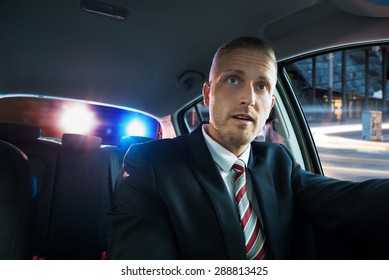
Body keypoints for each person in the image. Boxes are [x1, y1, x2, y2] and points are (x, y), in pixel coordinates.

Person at [107, 37, 389, 260]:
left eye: (262, 86)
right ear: (208, 94)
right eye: (233, 80)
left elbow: (348, 201)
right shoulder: (151, 165)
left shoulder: (279, 161)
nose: (249, 98)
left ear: (271, 106)